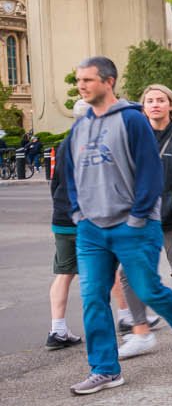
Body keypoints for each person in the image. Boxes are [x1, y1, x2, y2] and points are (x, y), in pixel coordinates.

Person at [65, 57, 172, 395]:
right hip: (91, 229)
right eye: (79, 80)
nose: (82, 85)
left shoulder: (131, 121)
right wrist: (77, 213)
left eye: (88, 80)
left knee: (148, 289)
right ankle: (105, 370)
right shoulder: (79, 126)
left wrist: (138, 215)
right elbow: (69, 173)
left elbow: (150, 172)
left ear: (108, 81)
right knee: (93, 297)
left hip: (133, 225)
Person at [116, 84, 172, 359]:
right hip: (140, 219)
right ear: (142, 107)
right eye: (149, 100)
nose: (155, 104)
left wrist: (171, 208)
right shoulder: (134, 138)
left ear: (170, 105)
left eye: (160, 100)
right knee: (127, 274)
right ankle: (139, 330)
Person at [45, 103, 84, 351]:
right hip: (87, 218)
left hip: (62, 217)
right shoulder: (94, 142)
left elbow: (55, 184)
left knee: (63, 273)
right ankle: (128, 318)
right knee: (108, 269)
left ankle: (57, 328)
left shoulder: (63, 144)